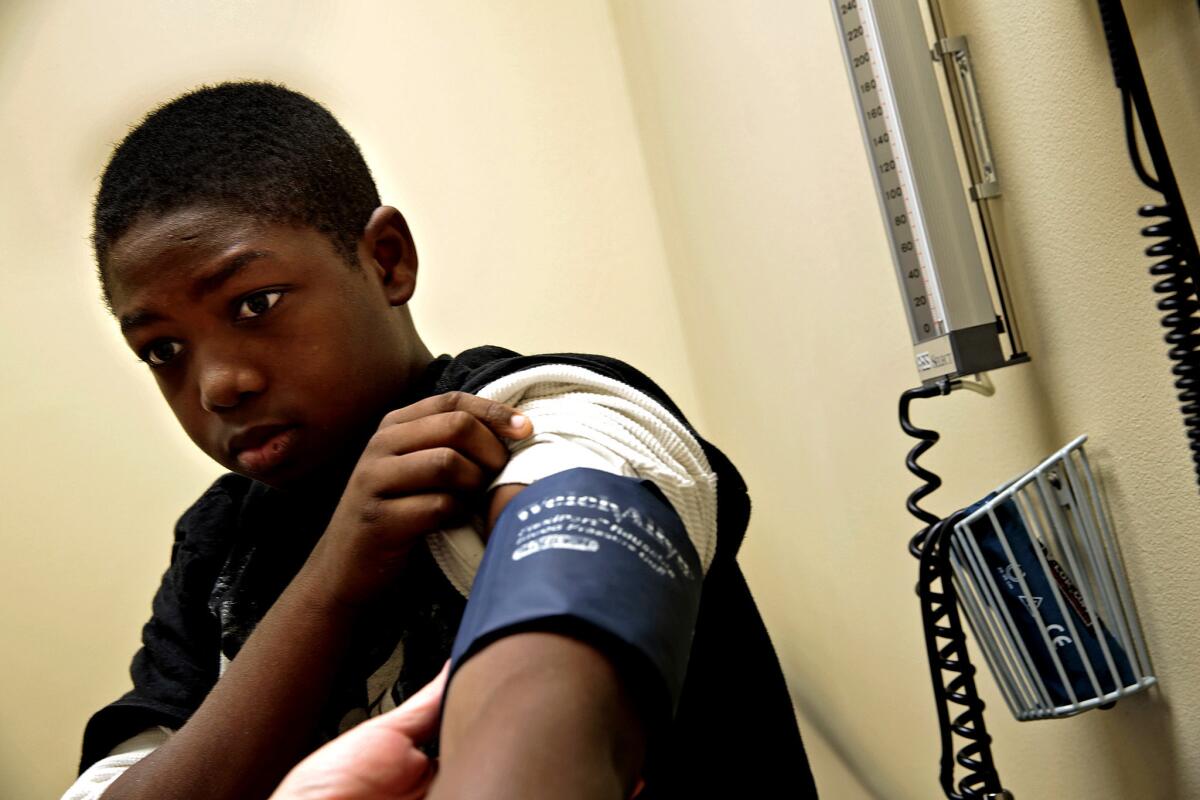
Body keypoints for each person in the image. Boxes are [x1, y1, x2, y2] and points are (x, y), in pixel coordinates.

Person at [63, 81, 817, 800]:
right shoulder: (217, 549)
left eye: (255, 303)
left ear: (387, 259)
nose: (217, 385)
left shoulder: (524, 418)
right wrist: (335, 577)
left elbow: (570, 609)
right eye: (162, 350)